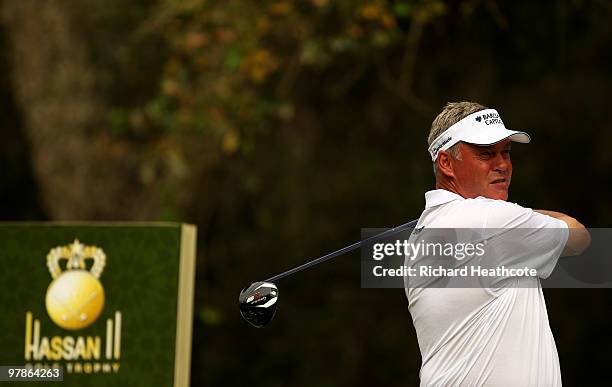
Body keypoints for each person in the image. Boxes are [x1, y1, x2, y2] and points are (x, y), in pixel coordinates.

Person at [405, 101, 591, 386]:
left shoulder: (422, 235)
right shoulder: (492, 221)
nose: (502, 165)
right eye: (486, 154)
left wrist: (518, 215)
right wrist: (524, 214)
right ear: (446, 163)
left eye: (505, 152)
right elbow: (578, 236)